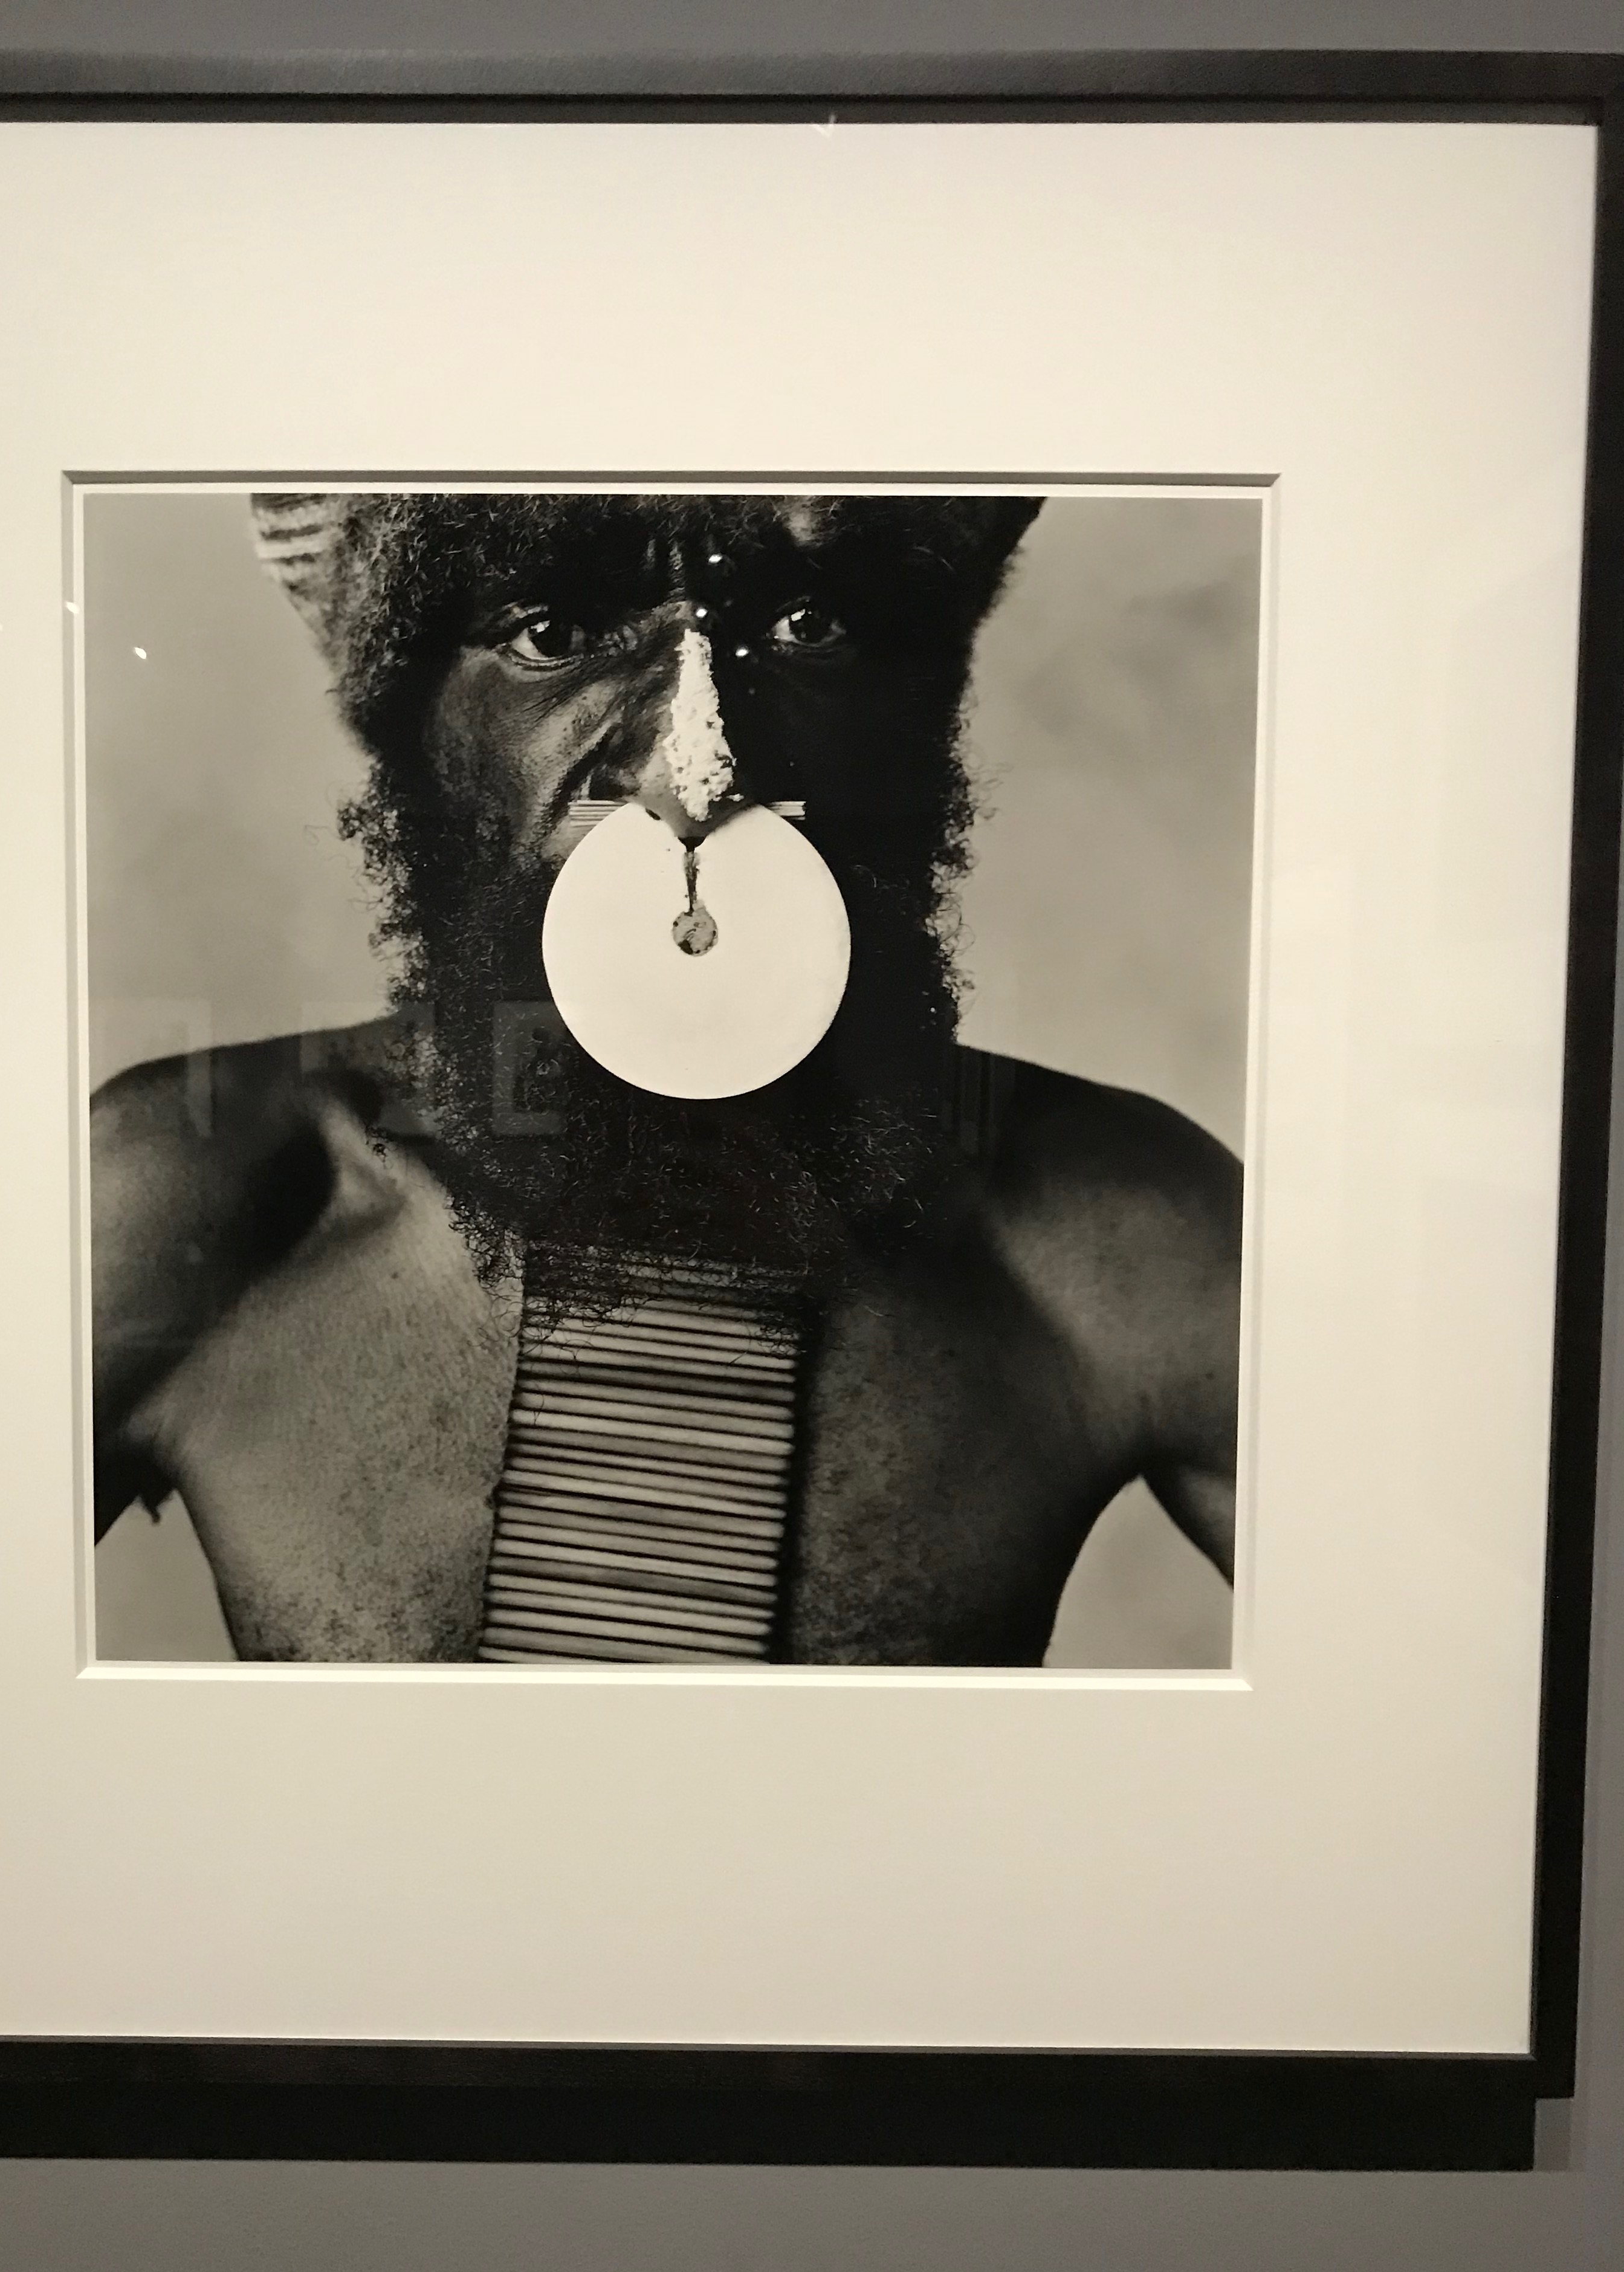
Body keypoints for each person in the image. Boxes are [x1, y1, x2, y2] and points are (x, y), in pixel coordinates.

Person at [91, 490, 1240, 1665]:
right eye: (554, 634)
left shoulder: (1121, 1238)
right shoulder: (189, 1203)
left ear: (925, 698)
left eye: (809, 624)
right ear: (412, 719)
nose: (699, 772)